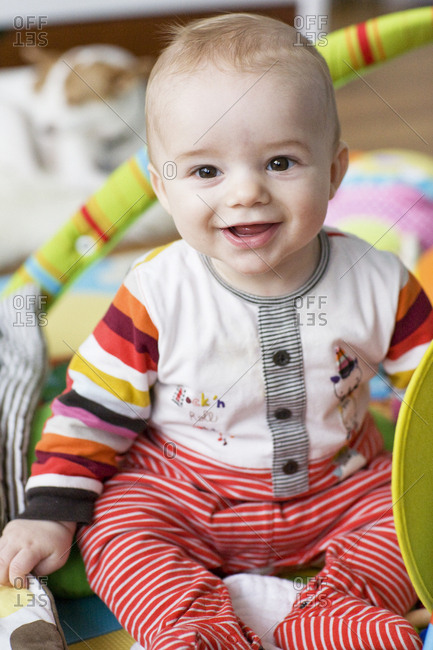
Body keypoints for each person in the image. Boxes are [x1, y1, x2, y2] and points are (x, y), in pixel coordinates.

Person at [0, 13, 431, 650]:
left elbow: (425, 382)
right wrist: (49, 512)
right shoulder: (156, 292)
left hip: (341, 491)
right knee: (115, 528)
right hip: (184, 491)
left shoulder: (379, 280)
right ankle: (194, 628)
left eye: (281, 162)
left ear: (335, 173)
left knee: (408, 527)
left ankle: (329, 613)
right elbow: (91, 412)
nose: (246, 192)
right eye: (206, 172)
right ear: (160, 188)